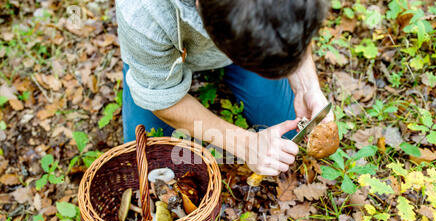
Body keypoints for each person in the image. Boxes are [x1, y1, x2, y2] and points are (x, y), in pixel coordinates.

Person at [116, 0, 333, 176]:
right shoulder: (142, 12)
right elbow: (163, 100)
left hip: (239, 37)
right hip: (161, 53)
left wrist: (307, 87)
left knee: (284, 139)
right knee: (153, 166)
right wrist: (245, 144)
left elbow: (294, 22)